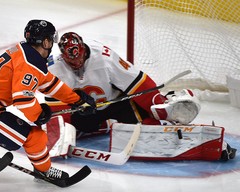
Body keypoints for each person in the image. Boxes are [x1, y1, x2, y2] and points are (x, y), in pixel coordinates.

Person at [0, 21, 95, 182]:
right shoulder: (31, 63)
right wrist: (39, 115)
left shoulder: (23, 50)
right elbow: (23, 100)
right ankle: (44, 172)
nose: (51, 45)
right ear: (46, 42)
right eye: (50, 40)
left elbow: (48, 83)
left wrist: (76, 100)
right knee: (35, 137)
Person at [45, 32, 200, 134]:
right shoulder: (54, 68)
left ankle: (166, 107)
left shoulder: (104, 58)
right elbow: (56, 108)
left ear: (84, 49)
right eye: (71, 61)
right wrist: (62, 128)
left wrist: (155, 101)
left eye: (79, 58)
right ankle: (104, 125)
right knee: (75, 126)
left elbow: (137, 82)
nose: (77, 63)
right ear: (63, 56)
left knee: (142, 122)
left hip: (115, 102)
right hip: (84, 110)